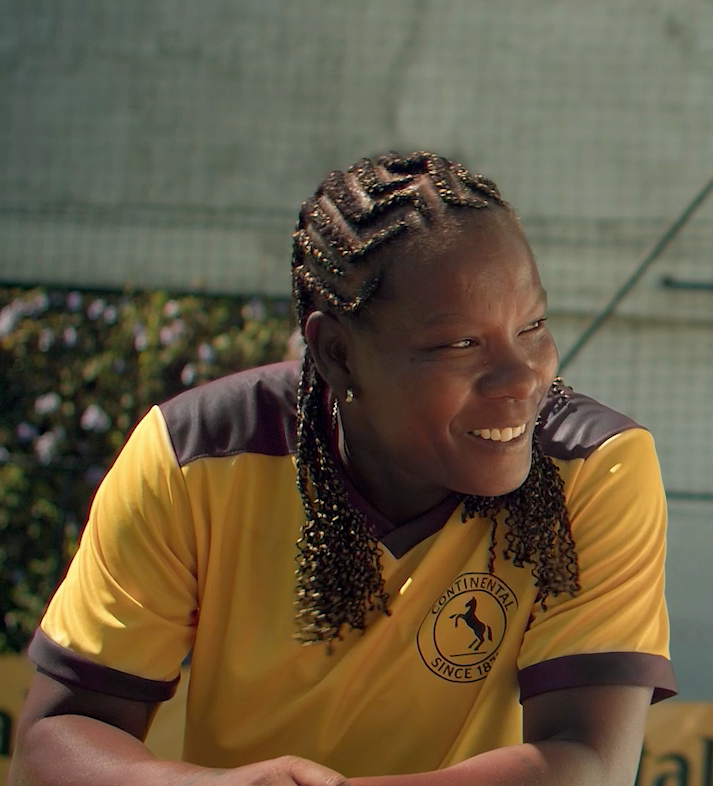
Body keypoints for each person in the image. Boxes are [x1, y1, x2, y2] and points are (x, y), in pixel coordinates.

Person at [13, 152, 673, 785]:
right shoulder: (194, 456)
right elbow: (60, 732)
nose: (521, 378)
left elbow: (586, 760)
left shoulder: (593, 468)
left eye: (532, 327)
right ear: (337, 353)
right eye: (459, 345)